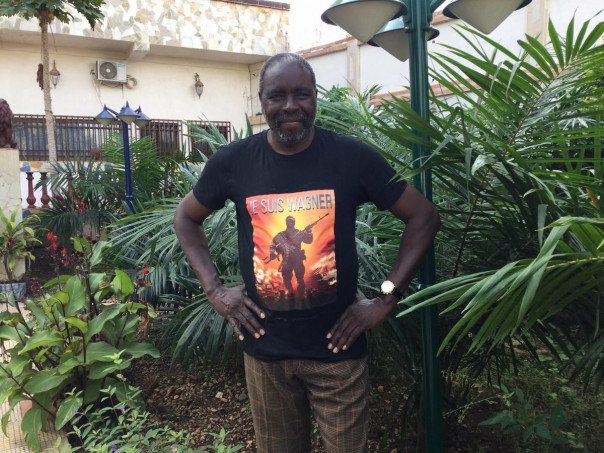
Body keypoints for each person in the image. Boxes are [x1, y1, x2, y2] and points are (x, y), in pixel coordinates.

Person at [174, 52, 440, 453]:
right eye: (277, 95)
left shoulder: (352, 157)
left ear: (315, 97)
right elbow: (185, 218)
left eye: (302, 94)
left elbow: (423, 216)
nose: (290, 105)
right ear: (262, 100)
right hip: (265, 353)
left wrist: (386, 298)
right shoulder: (234, 162)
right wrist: (214, 290)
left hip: (338, 350)